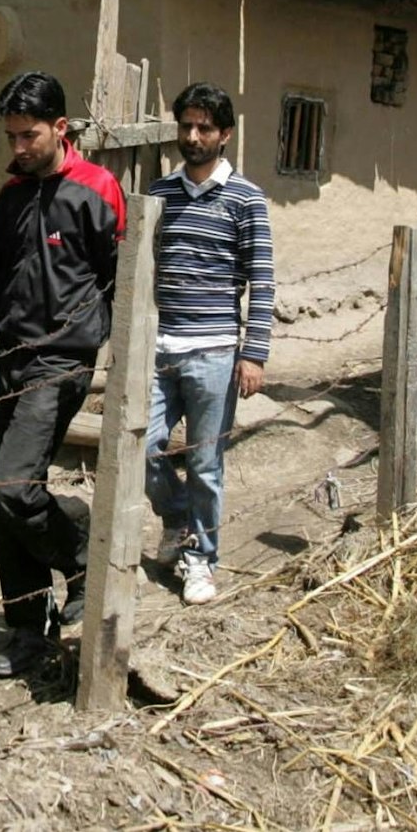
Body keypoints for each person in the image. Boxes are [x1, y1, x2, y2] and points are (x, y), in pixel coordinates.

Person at [0, 71, 124, 679]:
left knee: (13, 488)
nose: (16, 148)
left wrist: (108, 342)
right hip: (11, 358)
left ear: (60, 128)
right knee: (4, 506)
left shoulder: (97, 191)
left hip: (62, 361)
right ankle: (25, 629)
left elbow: (124, 275)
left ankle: (79, 561)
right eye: (10, 136)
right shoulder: (11, 196)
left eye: (28, 135)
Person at [143, 83, 276, 606]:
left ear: (225, 135)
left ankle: (201, 560)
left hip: (216, 351)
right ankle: (176, 519)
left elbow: (261, 280)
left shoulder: (246, 198)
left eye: (204, 128)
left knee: (204, 463)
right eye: (185, 126)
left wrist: (254, 352)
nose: (192, 137)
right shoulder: (159, 194)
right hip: (159, 349)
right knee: (142, 448)